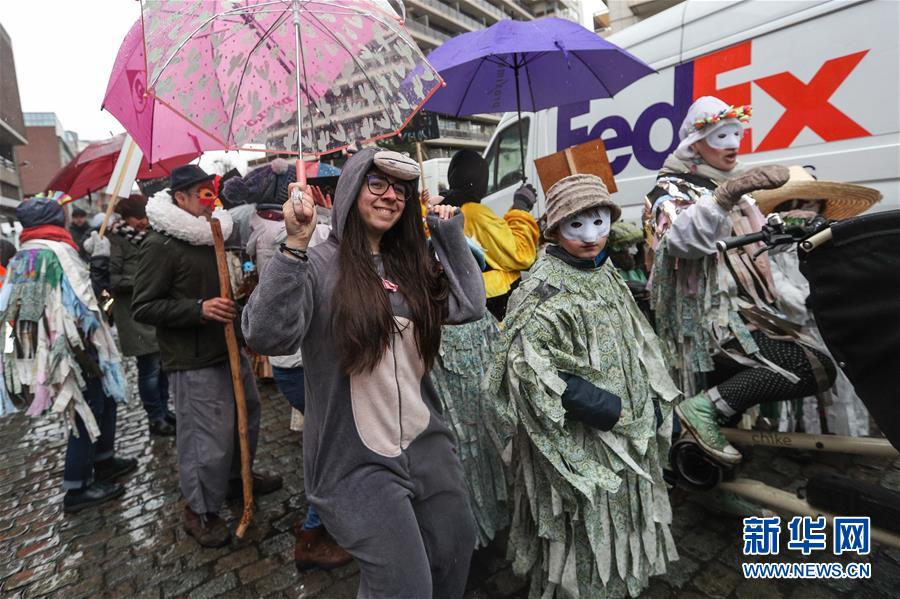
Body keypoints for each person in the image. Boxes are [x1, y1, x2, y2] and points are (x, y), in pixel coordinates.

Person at [243, 148, 486, 598]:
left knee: (454, 550)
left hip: (427, 445)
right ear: (352, 189)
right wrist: (294, 245)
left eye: (401, 189)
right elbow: (266, 335)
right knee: (404, 586)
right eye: (377, 183)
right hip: (354, 464)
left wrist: (448, 233)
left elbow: (469, 305)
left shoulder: (410, 264)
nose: (390, 195)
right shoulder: (317, 264)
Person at [490, 174, 679, 598]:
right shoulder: (540, 289)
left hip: (628, 424)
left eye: (599, 222)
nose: (591, 236)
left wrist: (648, 395)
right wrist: (605, 407)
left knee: (624, 508)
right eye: (576, 225)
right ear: (555, 229)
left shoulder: (604, 269)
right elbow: (528, 370)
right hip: (582, 435)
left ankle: (621, 581)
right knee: (585, 517)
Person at [643, 97, 836, 465]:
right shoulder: (669, 190)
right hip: (707, 327)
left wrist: (796, 228)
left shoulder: (735, 189)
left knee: (731, 411)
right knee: (810, 364)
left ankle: (710, 472)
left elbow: (757, 248)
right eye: (721, 136)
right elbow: (681, 243)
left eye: (737, 134)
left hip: (747, 318)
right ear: (695, 144)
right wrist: (723, 198)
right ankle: (699, 418)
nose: (733, 144)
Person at [132, 165, 282, 548]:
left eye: (210, 191)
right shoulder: (160, 244)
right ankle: (198, 510)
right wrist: (198, 309)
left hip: (228, 348)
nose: (209, 199)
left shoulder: (214, 231)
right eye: (201, 193)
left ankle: (236, 478)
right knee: (205, 437)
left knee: (246, 416)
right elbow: (144, 306)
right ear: (180, 198)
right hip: (192, 357)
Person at [225, 160, 350, 570]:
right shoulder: (287, 233)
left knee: (322, 442)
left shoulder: (261, 226)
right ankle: (314, 533)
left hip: (290, 360)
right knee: (331, 446)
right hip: (299, 358)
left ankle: (318, 522)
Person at [0, 195, 135, 512]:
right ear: (56, 222)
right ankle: (77, 487)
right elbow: (88, 301)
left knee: (103, 401)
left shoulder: (26, 255)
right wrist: (98, 263)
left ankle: (104, 461)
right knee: (86, 408)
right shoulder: (54, 253)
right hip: (70, 350)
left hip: (66, 346)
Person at [753, 165, 881, 436]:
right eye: (798, 204)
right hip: (799, 326)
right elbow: (772, 278)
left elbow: (846, 271)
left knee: (846, 380)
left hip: (836, 321)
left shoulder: (830, 236)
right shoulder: (772, 243)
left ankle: (851, 437)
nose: (804, 211)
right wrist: (803, 301)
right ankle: (808, 438)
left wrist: (832, 297)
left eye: (811, 204)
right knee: (809, 378)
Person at [85, 195, 176, 437]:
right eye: (138, 218)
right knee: (149, 370)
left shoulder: (148, 236)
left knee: (162, 367)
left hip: (155, 312)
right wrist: (145, 281)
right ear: (126, 218)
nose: (143, 221)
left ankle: (165, 410)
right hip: (133, 315)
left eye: (145, 217)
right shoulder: (115, 240)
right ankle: (155, 418)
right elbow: (111, 280)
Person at [437, 149, 539, 320]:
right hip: (493, 303)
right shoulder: (473, 213)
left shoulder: (444, 208)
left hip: (464, 298)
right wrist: (521, 208)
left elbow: (491, 244)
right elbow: (520, 255)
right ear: (481, 182)